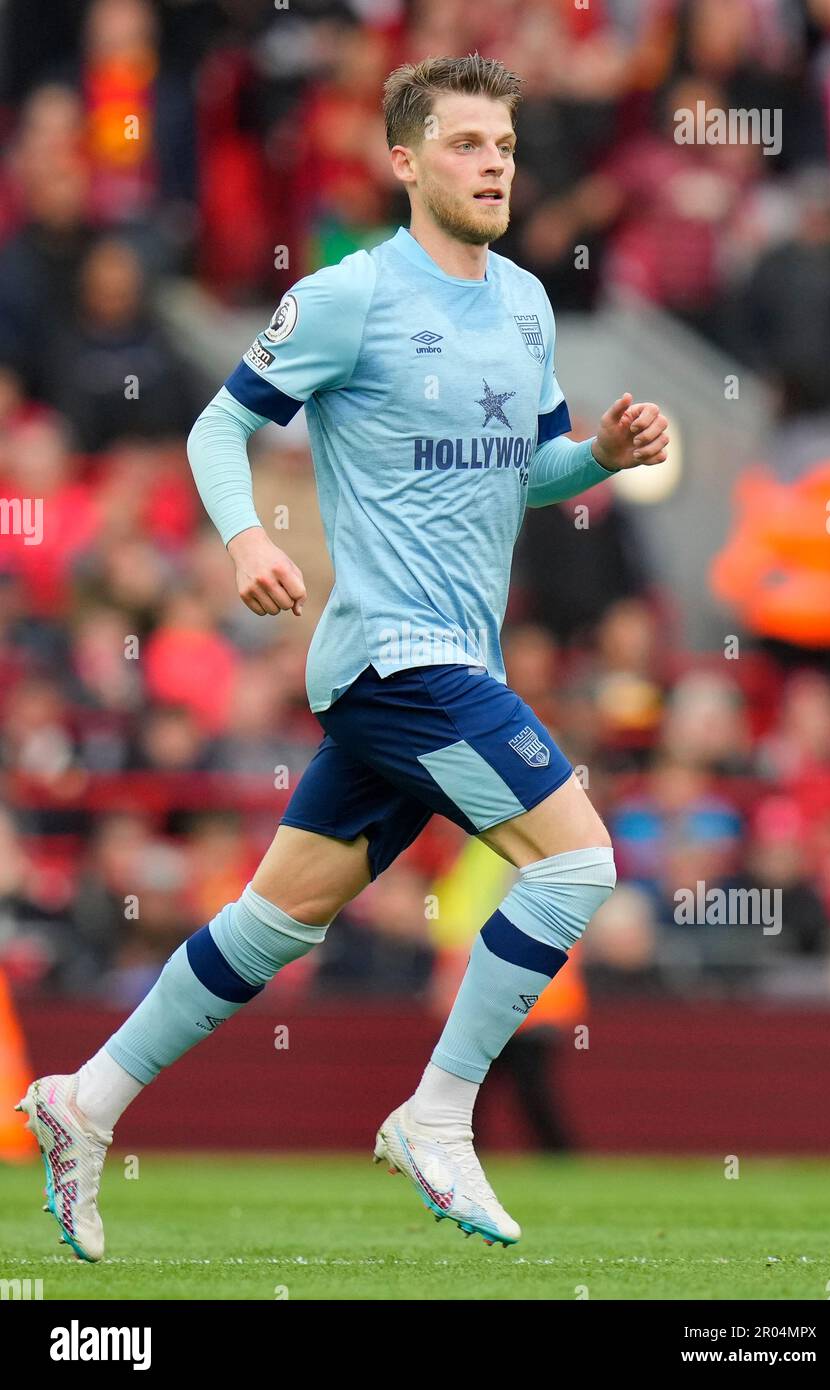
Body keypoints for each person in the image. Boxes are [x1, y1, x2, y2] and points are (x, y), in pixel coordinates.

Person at [17, 52, 669, 1259]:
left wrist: (602, 456)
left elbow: (527, 473)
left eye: (505, 148)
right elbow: (222, 423)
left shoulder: (526, 304)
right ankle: (438, 1110)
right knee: (576, 867)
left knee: (276, 920)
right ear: (403, 160)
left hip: (443, 658)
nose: (492, 167)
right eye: (467, 145)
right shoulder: (346, 297)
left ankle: (84, 1098)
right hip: (393, 658)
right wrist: (244, 538)